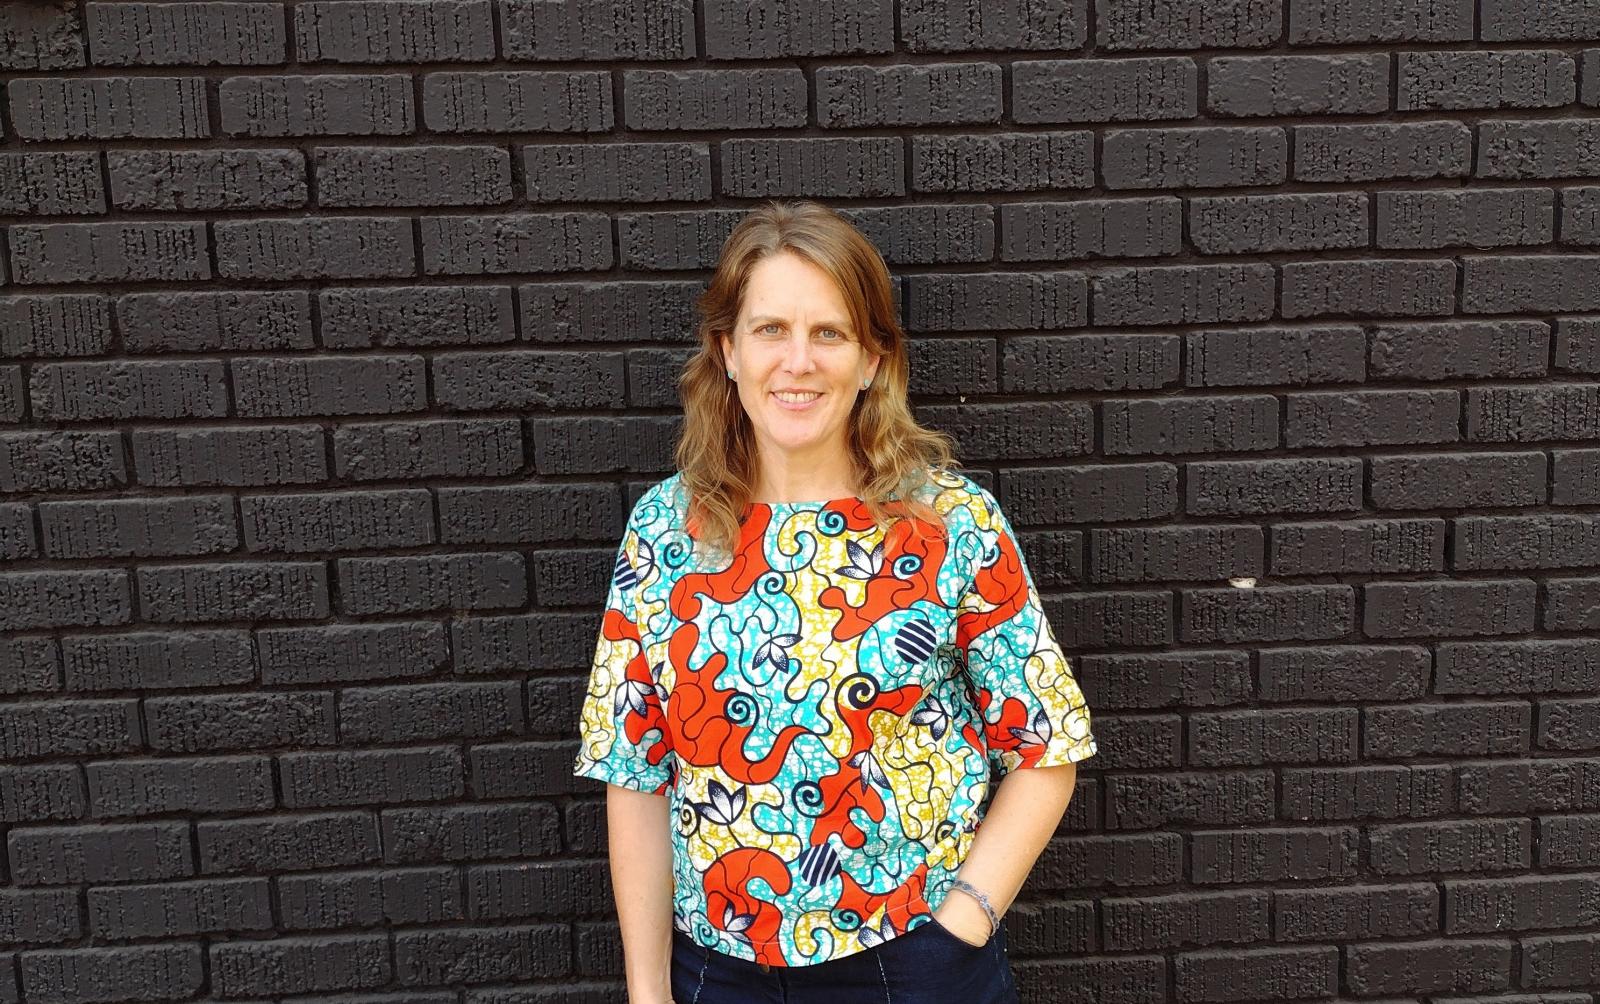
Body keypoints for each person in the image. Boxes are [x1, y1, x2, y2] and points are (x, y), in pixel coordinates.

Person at [572, 200, 1097, 1004]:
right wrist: (648, 991)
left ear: (873, 361)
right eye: (770, 330)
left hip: (912, 961)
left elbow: (1045, 745)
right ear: (728, 353)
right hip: (717, 973)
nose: (798, 362)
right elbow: (632, 771)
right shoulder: (665, 531)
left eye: (830, 334)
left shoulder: (948, 523)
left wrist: (964, 923)